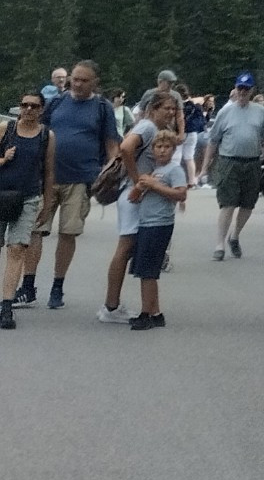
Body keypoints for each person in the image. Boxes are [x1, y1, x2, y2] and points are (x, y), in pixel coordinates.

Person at [18, 59, 121, 311]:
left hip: (81, 179)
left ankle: (57, 285)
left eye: (83, 80)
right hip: (47, 178)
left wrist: (112, 171)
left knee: (68, 232)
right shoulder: (57, 102)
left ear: (95, 82)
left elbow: (111, 144)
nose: (77, 83)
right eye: (75, 78)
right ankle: (28, 286)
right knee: (35, 231)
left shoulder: (102, 108)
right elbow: (39, 133)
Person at [100, 88, 185, 323]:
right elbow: (126, 148)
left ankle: (132, 306)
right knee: (126, 248)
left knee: (132, 250)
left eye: (173, 109)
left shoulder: (158, 130)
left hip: (141, 194)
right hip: (133, 194)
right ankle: (111, 306)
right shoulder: (147, 127)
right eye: (165, 108)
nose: (170, 113)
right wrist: (137, 179)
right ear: (152, 108)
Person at [122, 107, 192, 331]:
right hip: (145, 223)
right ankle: (155, 312)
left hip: (159, 224)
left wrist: (156, 186)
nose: (162, 151)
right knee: (143, 271)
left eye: (167, 147)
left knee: (148, 271)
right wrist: (140, 189)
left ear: (173, 149)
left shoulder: (174, 170)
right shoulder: (153, 171)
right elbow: (140, 193)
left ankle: (146, 313)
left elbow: (180, 194)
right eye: (158, 147)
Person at [203, 74, 264, 258]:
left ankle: (234, 236)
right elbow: (213, 141)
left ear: (251, 91)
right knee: (228, 203)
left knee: (248, 204)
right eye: (240, 88)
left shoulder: (260, 111)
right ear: (235, 89)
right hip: (229, 161)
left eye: (246, 89)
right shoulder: (225, 111)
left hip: (252, 162)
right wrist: (205, 167)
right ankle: (219, 245)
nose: (242, 92)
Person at [0, 90, 55, 328]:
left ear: (41, 110)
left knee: (17, 249)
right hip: (1, 195)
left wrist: (48, 203)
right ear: (19, 108)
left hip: (28, 198)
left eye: (34, 106)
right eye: (25, 105)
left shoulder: (46, 136)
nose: (29, 110)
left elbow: (49, 171)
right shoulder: (5, 129)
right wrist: (3, 160)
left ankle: (6, 306)